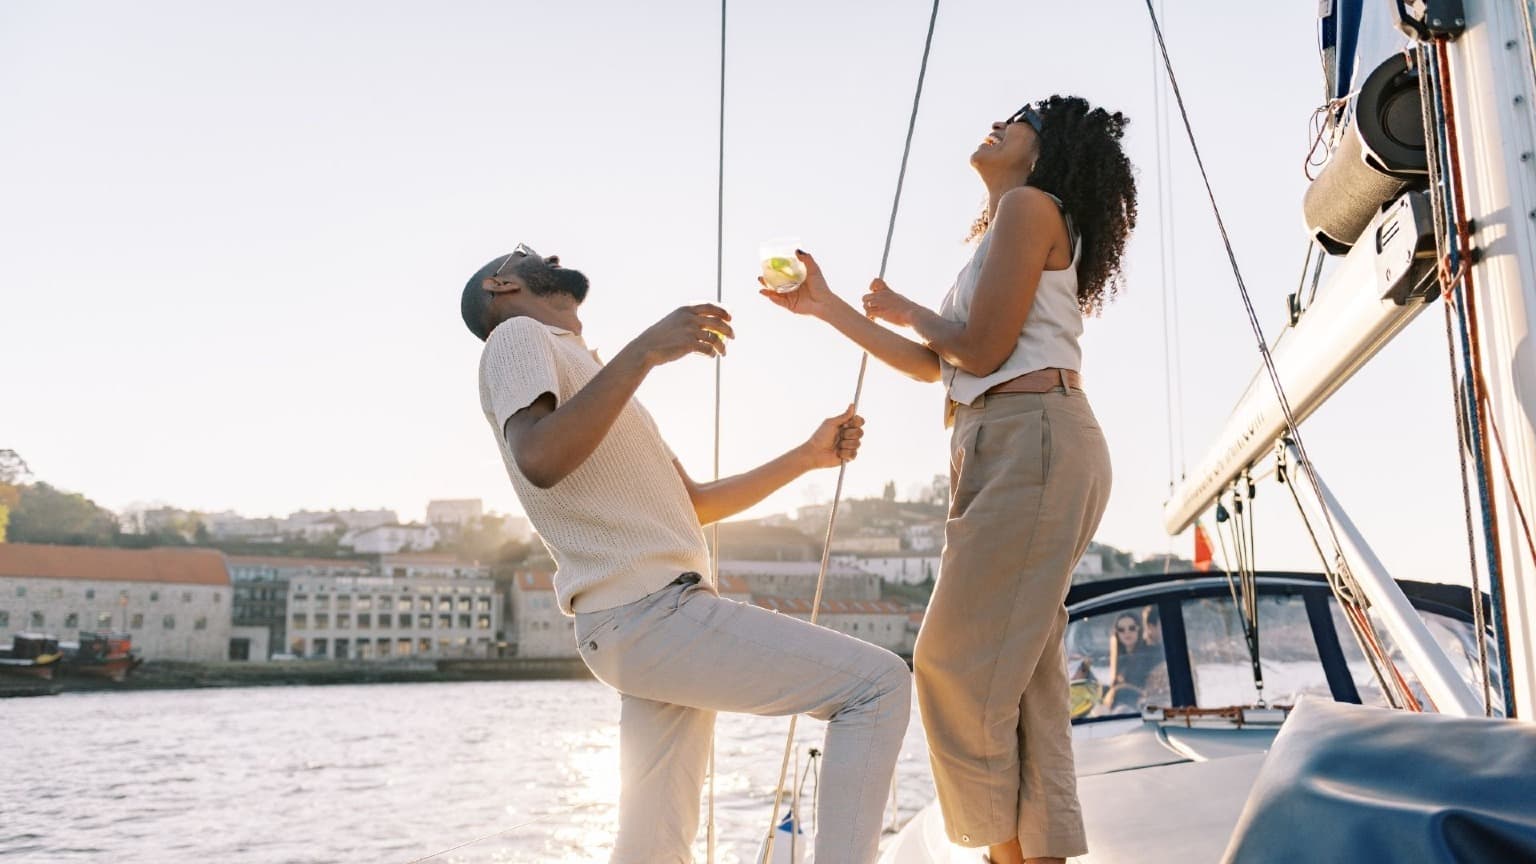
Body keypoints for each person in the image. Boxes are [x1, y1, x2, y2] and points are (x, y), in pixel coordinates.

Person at [761, 94, 1136, 864]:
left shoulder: (1031, 207)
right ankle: (1037, 854)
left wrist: (905, 307)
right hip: (1011, 442)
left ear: (1047, 146)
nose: (1002, 119)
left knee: (948, 666)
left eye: (1024, 114)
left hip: (1030, 437)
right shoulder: (1008, 226)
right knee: (1022, 675)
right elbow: (939, 364)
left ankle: (1006, 856)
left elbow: (983, 349)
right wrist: (828, 307)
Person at [462, 244, 911, 864]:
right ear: (502, 283)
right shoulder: (516, 334)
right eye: (530, 252)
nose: (554, 254)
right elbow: (537, 457)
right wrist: (645, 350)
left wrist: (808, 457)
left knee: (654, 845)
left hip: (638, 625)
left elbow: (692, 502)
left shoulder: (586, 373)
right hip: (650, 614)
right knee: (878, 686)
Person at [1102, 612, 1156, 712]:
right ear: (1117, 633)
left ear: (1139, 629)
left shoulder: (1150, 654)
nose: (1127, 632)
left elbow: (1153, 691)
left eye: (1132, 628)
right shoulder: (1118, 658)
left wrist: (1121, 689)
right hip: (1122, 710)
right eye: (1121, 630)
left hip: (1145, 710)